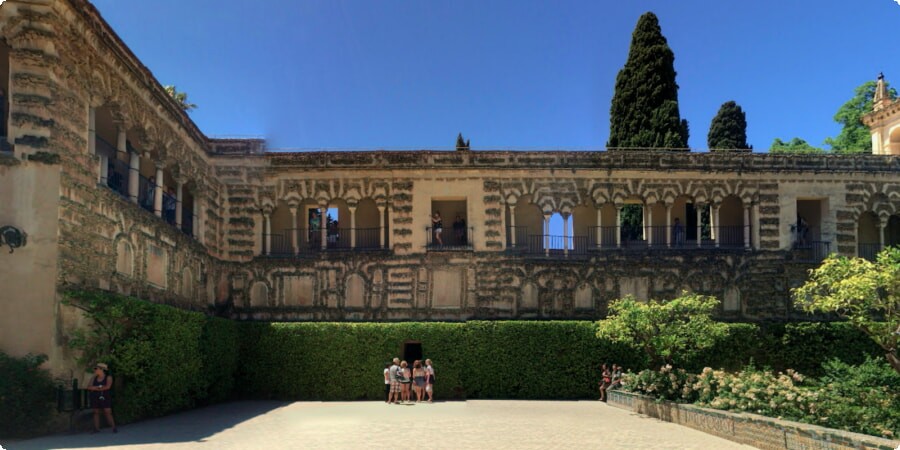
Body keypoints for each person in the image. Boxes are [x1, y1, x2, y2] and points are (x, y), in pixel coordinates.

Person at [86, 363, 117, 433]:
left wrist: (95, 388)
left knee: (108, 412)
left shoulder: (108, 377)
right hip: (95, 396)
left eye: (96, 369)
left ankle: (113, 427)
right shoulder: (93, 378)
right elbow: (89, 387)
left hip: (105, 396)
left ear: (101, 369)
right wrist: (99, 388)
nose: (95, 370)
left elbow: (107, 387)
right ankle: (96, 429)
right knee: (95, 412)